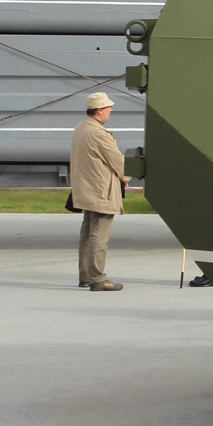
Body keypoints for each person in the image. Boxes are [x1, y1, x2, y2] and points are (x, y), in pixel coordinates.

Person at [71, 91, 127, 291]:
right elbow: (117, 160)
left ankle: (86, 276)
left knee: (87, 234)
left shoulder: (81, 128)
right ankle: (98, 279)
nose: (110, 110)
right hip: (101, 191)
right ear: (100, 110)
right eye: (108, 107)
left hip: (87, 189)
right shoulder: (99, 133)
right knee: (98, 237)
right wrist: (126, 177)